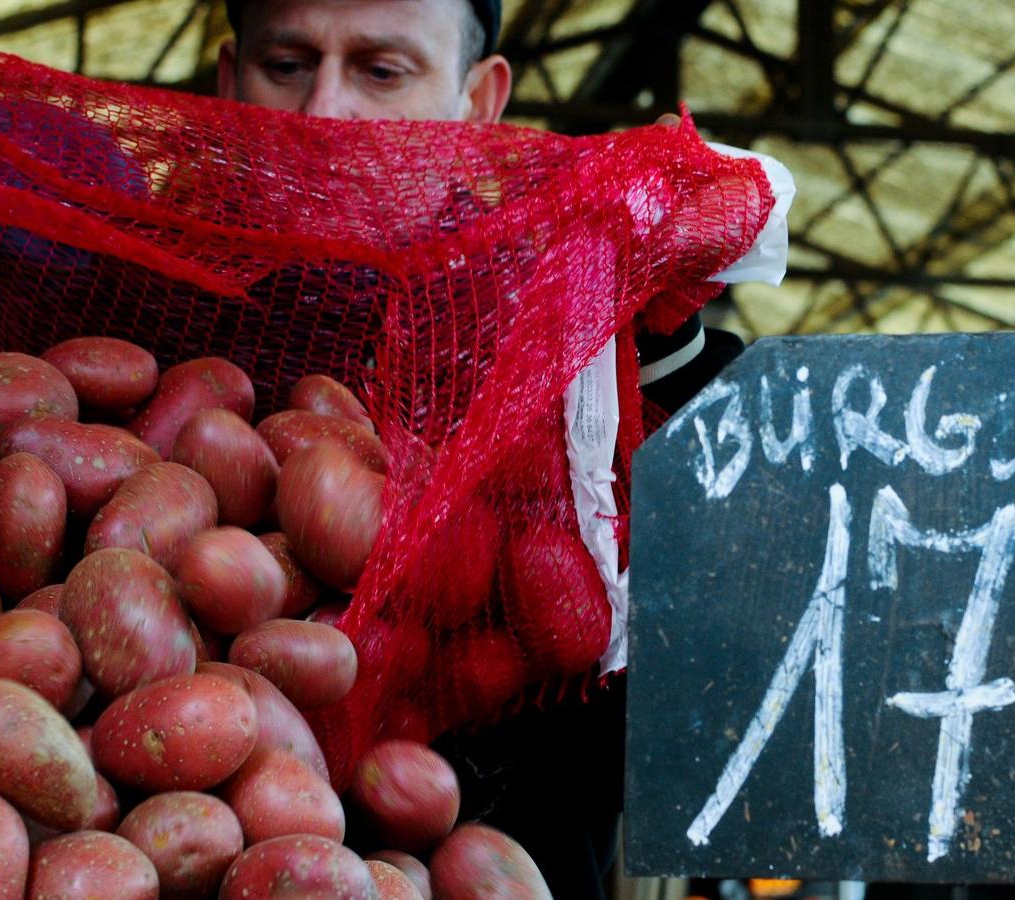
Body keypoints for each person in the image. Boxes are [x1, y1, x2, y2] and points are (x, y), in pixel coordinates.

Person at [218, 2, 748, 897]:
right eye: (288, 63)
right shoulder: (150, 307)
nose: (324, 112)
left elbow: (726, 661)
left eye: (382, 71)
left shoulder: (576, 336)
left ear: (479, 101)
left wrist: (655, 329)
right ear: (228, 81)